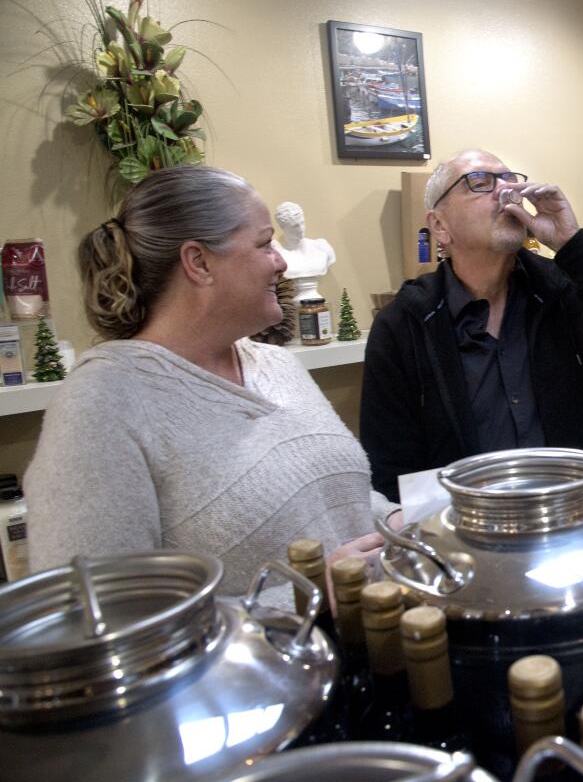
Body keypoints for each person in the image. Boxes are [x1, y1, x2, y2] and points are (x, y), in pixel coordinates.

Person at [25, 165, 398, 597]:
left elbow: (334, 498)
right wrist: (304, 595)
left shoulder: (277, 365)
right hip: (256, 663)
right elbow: (89, 615)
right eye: (264, 243)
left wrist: (397, 522)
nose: (280, 261)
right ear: (199, 262)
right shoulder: (102, 404)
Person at [360, 149, 583, 502]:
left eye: (510, 179)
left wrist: (571, 243)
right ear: (439, 226)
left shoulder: (561, 292)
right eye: (480, 182)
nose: (505, 190)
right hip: (470, 535)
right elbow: (390, 469)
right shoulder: (404, 325)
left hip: (574, 516)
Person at [274, 200, 337, 280]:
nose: (301, 229)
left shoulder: (321, 247)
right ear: (283, 227)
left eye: (302, 223)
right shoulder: (281, 254)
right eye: (295, 226)